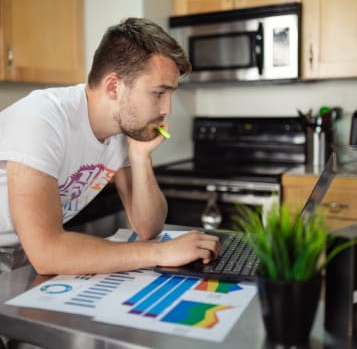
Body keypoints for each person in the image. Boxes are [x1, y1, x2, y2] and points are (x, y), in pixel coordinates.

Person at [0, 17, 220, 275]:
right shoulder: (41, 118)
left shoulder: (120, 132)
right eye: (159, 93)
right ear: (114, 87)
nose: (167, 109)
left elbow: (148, 227)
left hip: (22, 259)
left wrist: (140, 157)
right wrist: (162, 252)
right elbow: (48, 252)